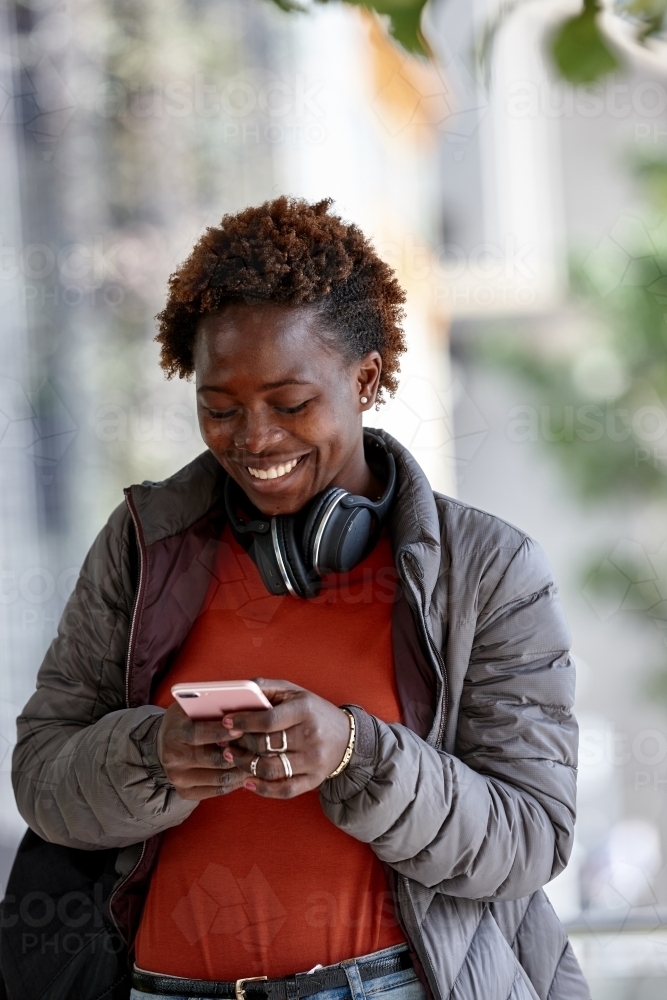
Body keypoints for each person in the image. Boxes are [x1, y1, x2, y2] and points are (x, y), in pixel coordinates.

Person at [9, 197, 590, 1000]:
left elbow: (528, 839)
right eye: (219, 407)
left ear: (365, 378)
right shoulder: (145, 544)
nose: (252, 439)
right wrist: (153, 758)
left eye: (290, 404)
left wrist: (358, 752)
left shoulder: (487, 568)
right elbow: (42, 778)